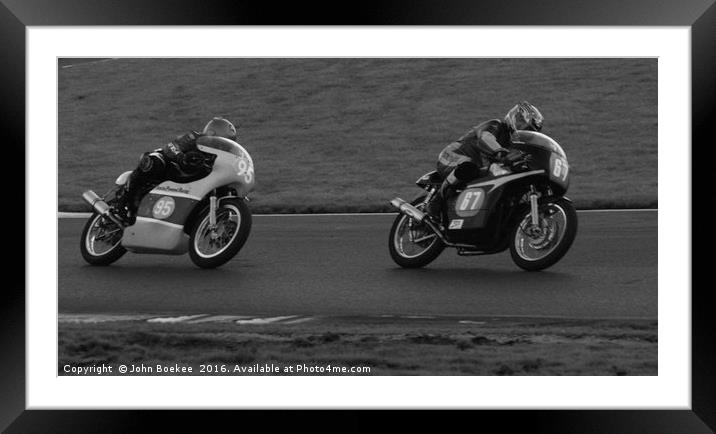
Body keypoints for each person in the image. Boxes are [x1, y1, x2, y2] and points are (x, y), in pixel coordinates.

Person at [425, 101, 544, 219]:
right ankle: (436, 201)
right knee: (468, 166)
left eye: (528, 128)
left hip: (477, 169)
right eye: (521, 121)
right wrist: (500, 152)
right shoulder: (496, 125)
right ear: (513, 116)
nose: (522, 127)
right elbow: (485, 138)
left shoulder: (514, 145)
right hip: (453, 156)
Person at [113, 117, 238, 224]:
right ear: (211, 133)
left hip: (187, 184)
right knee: (155, 162)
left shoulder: (217, 157)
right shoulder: (195, 137)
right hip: (171, 167)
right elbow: (171, 147)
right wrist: (181, 157)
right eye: (221, 142)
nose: (221, 147)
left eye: (225, 145)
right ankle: (122, 201)